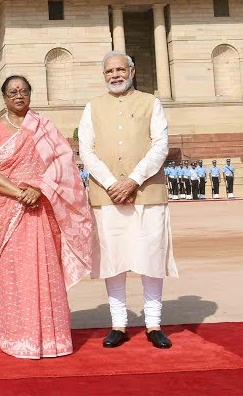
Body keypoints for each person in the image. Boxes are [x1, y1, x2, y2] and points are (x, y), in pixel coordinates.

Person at [0, 75, 94, 359]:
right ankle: (18, 336)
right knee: (14, 272)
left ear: (30, 94)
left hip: (41, 208)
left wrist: (39, 189)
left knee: (43, 269)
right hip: (7, 208)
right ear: (4, 98)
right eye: (12, 92)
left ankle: (51, 338)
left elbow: (62, 164)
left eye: (23, 91)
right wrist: (22, 193)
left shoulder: (44, 127)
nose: (18, 95)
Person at [77, 51, 178, 350]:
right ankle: (118, 324)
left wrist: (133, 180)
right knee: (114, 260)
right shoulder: (92, 107)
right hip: (107, 196)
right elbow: (87, 150)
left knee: (151, 258)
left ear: (132, 71)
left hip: (147, 191)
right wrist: (112, 184)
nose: (115, 75)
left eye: (121, 70)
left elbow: (161, 145)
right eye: (110, 71)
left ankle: (153, 323)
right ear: (104, 75)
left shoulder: (151, 103)